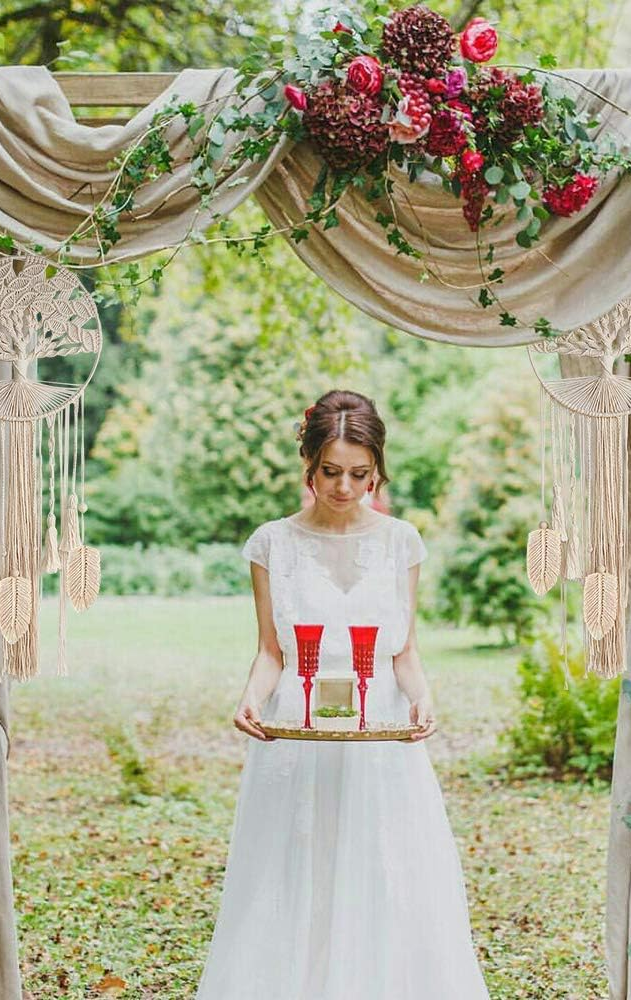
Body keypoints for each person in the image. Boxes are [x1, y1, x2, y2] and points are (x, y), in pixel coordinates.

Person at [195, 390, 490, 1000]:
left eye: (360, 474)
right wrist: (250, 697)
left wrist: (423, 698)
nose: (345, 487)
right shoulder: (272, 543)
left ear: (378, 468)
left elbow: (404, 651)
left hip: (378, 730)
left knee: (384, 874)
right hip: (296, 733)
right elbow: (271, 652)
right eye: (331, 472)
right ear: (308, 465)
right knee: (292, 871)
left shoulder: (401, 541)